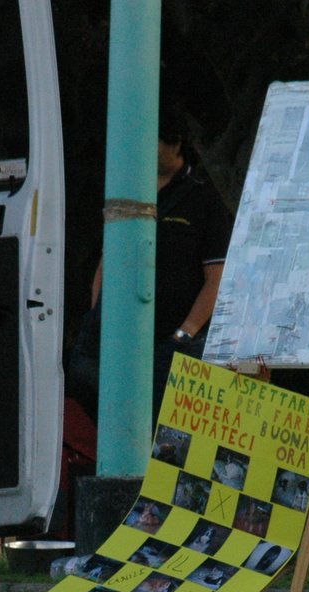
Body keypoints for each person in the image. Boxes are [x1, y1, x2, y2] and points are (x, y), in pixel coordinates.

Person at [67, 106, 232, 413]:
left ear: (176, 143)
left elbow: (217, 276)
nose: (144, 151)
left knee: (161, 431)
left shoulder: (202, 198)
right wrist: (98, 319)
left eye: (153, 142)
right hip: (119, 340)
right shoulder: (126, 192)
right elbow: (106, 264)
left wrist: (185, 334)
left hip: (173, 343)